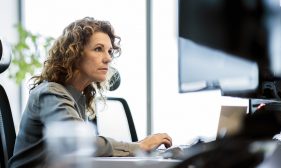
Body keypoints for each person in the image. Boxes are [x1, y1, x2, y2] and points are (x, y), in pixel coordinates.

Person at [8, 17, 172, 168]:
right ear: (74, 54)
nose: (108, 58)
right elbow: (80, 142)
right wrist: (139, 147)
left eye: (109, 51)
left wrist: (138, 145)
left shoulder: (77, 96)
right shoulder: (50, 92)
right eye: (98, 49)